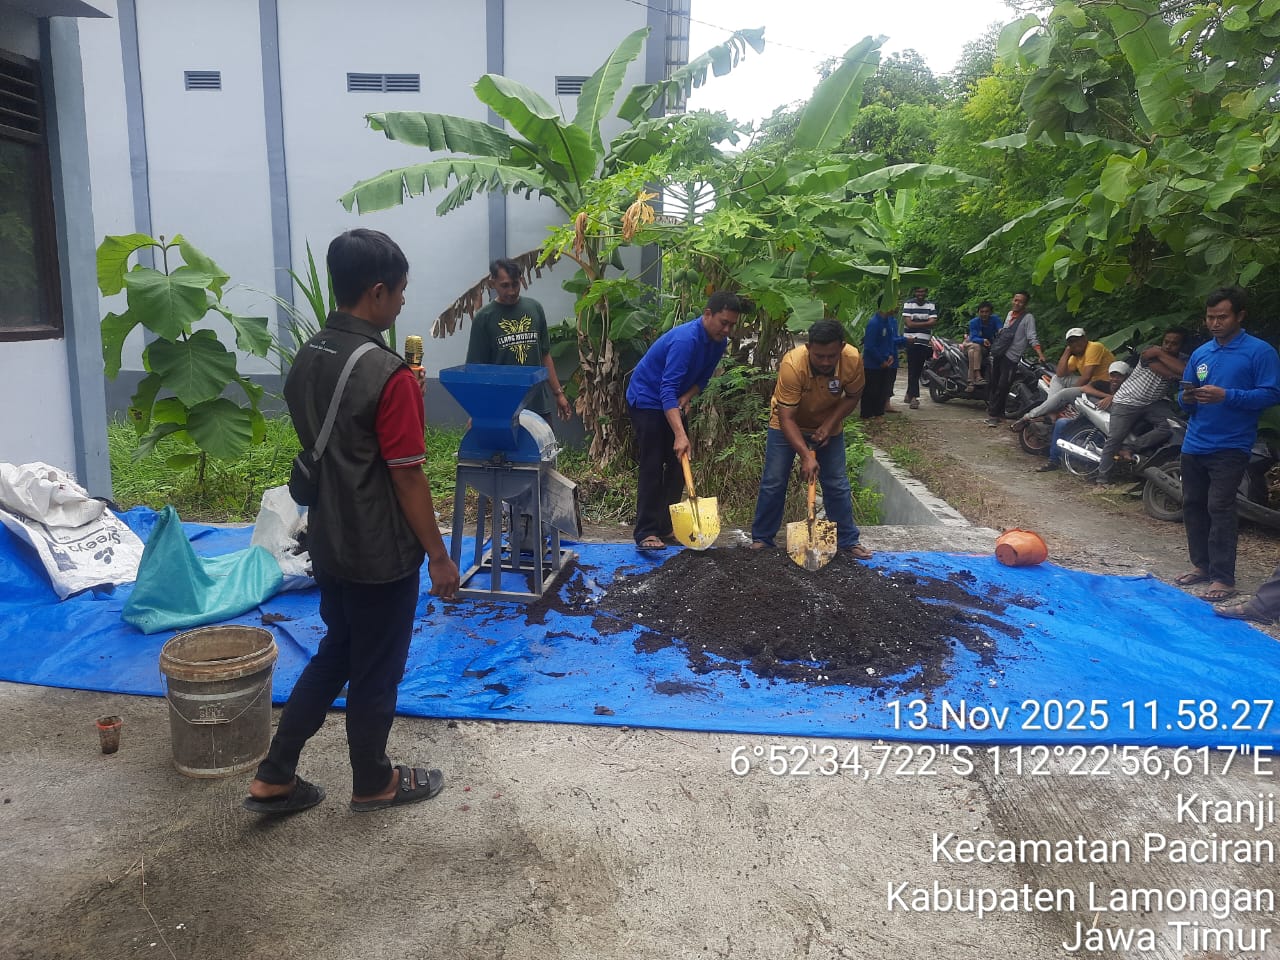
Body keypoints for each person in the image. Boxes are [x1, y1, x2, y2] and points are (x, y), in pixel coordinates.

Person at [243, 229, 460, 817]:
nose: (402, 305)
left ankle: (275, 774)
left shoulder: (309, 355)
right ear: (378, 291)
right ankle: (373, 781)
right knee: (377, 667)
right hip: (380, 552)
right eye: (401, 293)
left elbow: (337, 445)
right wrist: (438, 556)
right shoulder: (388, 374)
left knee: (338, 649)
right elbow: (408, 477)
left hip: (328, 539)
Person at [1174, 287, 1280, 604]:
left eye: (1222, 317)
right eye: (1210, 317)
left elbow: (1271, 394)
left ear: (1239, 316)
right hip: (1195, 442)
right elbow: (1184, 399)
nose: (1215, 323)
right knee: (1192, 504)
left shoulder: (1259, 352)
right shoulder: (1202, 353)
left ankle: (1223, 577)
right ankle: (1200, 565)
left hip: (1231, 445)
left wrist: (1227, 395)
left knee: (1220, 508)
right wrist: (1187, 397)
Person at [625, 291, 746, 550]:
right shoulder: (685, 340)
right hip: (647, 398)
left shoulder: (719, 342)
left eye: (731, 325)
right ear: (707, 315)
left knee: (680, 464)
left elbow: (701, 380)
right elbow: (665, 389)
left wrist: (687, 397)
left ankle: (666, 526)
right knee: (653, 464)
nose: (727, 329)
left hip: (671, 400)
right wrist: (680, 433)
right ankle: (646, 531)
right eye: (723, 322)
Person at [749, 320, 873, 560]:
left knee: (837, 483)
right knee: (774, 481)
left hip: (828, 424)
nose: (826, 362)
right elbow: (786, 418)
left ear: (842, 347)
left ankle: (848, 541)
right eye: (819, 356)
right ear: (808, 348)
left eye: (831, 356)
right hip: (787, 424)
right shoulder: (793, 365)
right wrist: (806, 456)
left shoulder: (853, 359)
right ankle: (762, 539)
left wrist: (827, 426)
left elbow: (853, 396)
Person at [467, 257, 573, 424]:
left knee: (543, 447)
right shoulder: (484, 318)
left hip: (537, 405)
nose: (511, 291)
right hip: (501, 407)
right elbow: (476, 369)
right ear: (492, 282)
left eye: (515, 284)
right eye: (505, 285)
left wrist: (558, 393)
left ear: (521, 280)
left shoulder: (534, 309)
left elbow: (545, 355)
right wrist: (476, 410)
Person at [1091, 328, 1189, 489]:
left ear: (1181, 346)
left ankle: (1130, 448)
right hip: (1127, 401)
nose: (1168, 346)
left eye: (1174, 344)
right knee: (1115, 438)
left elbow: (1184, 371)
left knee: (1171, 426)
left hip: (1152, 403)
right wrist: (1177, 372)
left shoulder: (1175, 357)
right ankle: (1102, 481)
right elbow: (1170, 372)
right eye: (1166, 342)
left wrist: (1168, 360)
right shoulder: (1149, 351)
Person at [1034, 361, 1130, 473]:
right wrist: (1108, 396)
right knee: (1061, 423)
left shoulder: (1128, 392)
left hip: (1107, 426)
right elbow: (1085, 389)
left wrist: (1113, 398)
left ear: (1126, 377)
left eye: (1119, 376)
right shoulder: (1102, 385)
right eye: (1113, 375)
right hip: (1086, 419)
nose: (1115, 379)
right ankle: (1053, 461)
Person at [1012, 327, 1114, 428]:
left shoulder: (1094, 347)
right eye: (1072, 342)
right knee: (1057, 378)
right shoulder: (1076, 357)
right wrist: (1067, 352)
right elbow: (1060, 374)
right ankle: (1052, 412)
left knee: (1064, 394)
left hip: (1105, 385)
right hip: (1093, 382)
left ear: (1085, 338)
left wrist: (1070, 392)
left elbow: (1087, 376)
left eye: (1078, 340)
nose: (1076, 344)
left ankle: (1030, 415)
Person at [984, 291, 1046, 426]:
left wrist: (1040, 354)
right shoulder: (1009, 314)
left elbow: (1032, 337)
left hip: (1012, 356)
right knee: (995, 383)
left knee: (1003, 384)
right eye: (1015, 300)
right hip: (1000, 353)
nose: (1017, 303)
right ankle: (997, 413)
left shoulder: (1028, 318)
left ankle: (993, 415)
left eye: (1020, 301)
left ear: (1025, 304)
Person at [860, 302, 904, 418]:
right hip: (873, 364)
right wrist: (881, 361)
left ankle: (879, 414)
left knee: (882, 390)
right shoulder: (874, 323)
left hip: (886, 362)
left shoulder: (888, 322)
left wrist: (890, 355)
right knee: (871, 390)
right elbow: (869, 346)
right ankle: (867, 415)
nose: (897, 306)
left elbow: (889, 340)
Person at [901, 287, 937, 410]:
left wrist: (915, 324)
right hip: (911, 341)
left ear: (926, 293)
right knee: (913, 368)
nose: (920, 294)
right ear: (914, 292)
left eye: (922, 292)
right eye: (918, 292)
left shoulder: (930, 305)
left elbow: (933, 322)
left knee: (917, 369)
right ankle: (914, 398)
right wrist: (925, 323)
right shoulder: (908, 304)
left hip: (924, 342)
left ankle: (908, 394)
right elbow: (908, 323)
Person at [962, 301, 1000, 389]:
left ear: (990, 312)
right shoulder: (974, 322)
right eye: (982, 312)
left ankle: (971, 382)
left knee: (973, 352)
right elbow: (973, 338)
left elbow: (1000, 329)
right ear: (978, 312)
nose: (984, 314)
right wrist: (983, 340)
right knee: (975, 347)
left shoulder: (995, 319)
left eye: (986, 312)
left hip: (984, 348)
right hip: (970, 344)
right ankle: (977, 375)